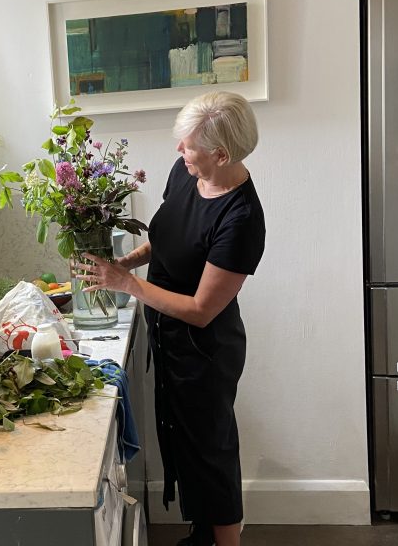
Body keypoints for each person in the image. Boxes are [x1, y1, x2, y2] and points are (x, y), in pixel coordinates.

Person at [79, 90, 265, 546]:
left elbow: (202, 311)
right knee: (184, 444)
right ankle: (202, 534)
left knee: (211, 452)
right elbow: (166, 239)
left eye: (188, 144)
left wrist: (126, 285)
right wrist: (127, 264)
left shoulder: (241, 218)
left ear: (221, 154)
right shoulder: (186, 176)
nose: (178, 150)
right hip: (168, 335)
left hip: (205, 351)